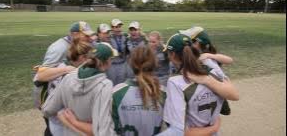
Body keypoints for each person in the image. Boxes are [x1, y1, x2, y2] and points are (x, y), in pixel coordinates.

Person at [57, 46, 221, 136]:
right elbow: (179, 131)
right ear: (155, 64)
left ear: (131, 64)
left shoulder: (115, 93)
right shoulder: (167, 93)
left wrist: (73, 121)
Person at [158, 33, 239, 136]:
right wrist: (214, 128)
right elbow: (235, 95)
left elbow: (180, 132)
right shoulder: (211, 71)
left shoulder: (175, 82)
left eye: (168, 53)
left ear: (172, 55)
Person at [42, 42, 118, 136]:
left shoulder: (68, 77)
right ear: (107, 61)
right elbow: (102, 132)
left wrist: (69, 119)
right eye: (111, 59)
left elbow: (47, 109)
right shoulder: (104, 86)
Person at [34, 21, 95, 136]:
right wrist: (66, 69)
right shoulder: (59, 47)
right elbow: (41, 76)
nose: (89, 38)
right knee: (54, 126)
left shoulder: (77, 45)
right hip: (48, 95)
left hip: (61, 94)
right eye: (86, 35)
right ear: (74, 34)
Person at [107, 19, 129, 85]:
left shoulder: (125, 36)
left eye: (119, 27)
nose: (118, 29)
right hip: (112, 65)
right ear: (112, 28)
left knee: (121, 84)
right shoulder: (108, 38)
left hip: (122, 64)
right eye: (116, 27)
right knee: (112, 84)